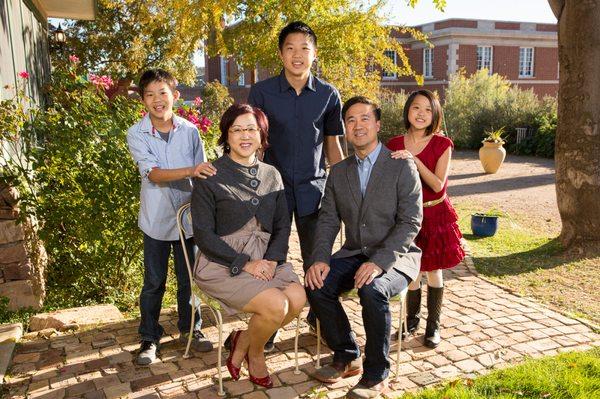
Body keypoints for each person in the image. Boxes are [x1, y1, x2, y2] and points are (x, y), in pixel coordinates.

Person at [305, 96, 422, 399]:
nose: (358, 125)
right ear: (345, 128)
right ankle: (347, 355)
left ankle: (376, 374)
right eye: (351, 120)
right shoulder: (339, 171)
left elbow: (410, 223)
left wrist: (381, 262)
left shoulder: (400, 165)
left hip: (398, 256)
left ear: (378, 124)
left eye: (365, 118)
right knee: (317, 284)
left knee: (373, 289)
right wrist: (319, 258)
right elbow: (328, 220)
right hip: (356, 251)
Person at [191, 103, 306, 388]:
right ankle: (254, 354)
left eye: (251, 129)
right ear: (226, 135)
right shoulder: (210, 175)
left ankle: (241, 340)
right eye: (237, 129)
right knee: (275, 305)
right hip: (222, 262)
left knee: (298, 298)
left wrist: (272, 259)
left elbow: (282, 225)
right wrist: (246, 263)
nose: (245, 136)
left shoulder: (272, 174)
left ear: (261, 134)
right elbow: (204, 235)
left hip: (267, 258)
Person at [248, 21, 345, 351]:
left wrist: (345, 182)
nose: (297, 55)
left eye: (305, 48)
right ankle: (272, 321)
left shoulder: (329, 95)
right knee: (272, 259)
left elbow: (332, 146)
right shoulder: (262, 92)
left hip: (313, 191)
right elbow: (253, 144)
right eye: (290, 48)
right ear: (281, 53)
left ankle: (318, 318)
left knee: (315, 260)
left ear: (315, 54)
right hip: (271, 193)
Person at [127, 69, 216, 366]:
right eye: (150, 95)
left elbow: (202, 173)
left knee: (189, 280)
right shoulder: (136, 133)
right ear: (143, 100)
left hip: (187, 220)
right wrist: (191, 171)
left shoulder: (190, 131)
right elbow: (153, 173)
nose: (157, 100)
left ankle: (192, 330)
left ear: (175, 96)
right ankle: (149, 338)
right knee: (154, 282)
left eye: (162, 93)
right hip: (156, 220)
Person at [387, 89, 465, 348]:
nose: (421, 114)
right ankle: (411, 322)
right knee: (411, 271)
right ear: (407, 111)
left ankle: (433, 326)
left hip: (434, 213)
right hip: (407, 216)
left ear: (435, 115)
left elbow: (437, 185)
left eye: (427, 110)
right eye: (416, 108)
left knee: (433, 270)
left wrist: (414, 160)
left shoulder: (443, 144)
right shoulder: (394, 143)